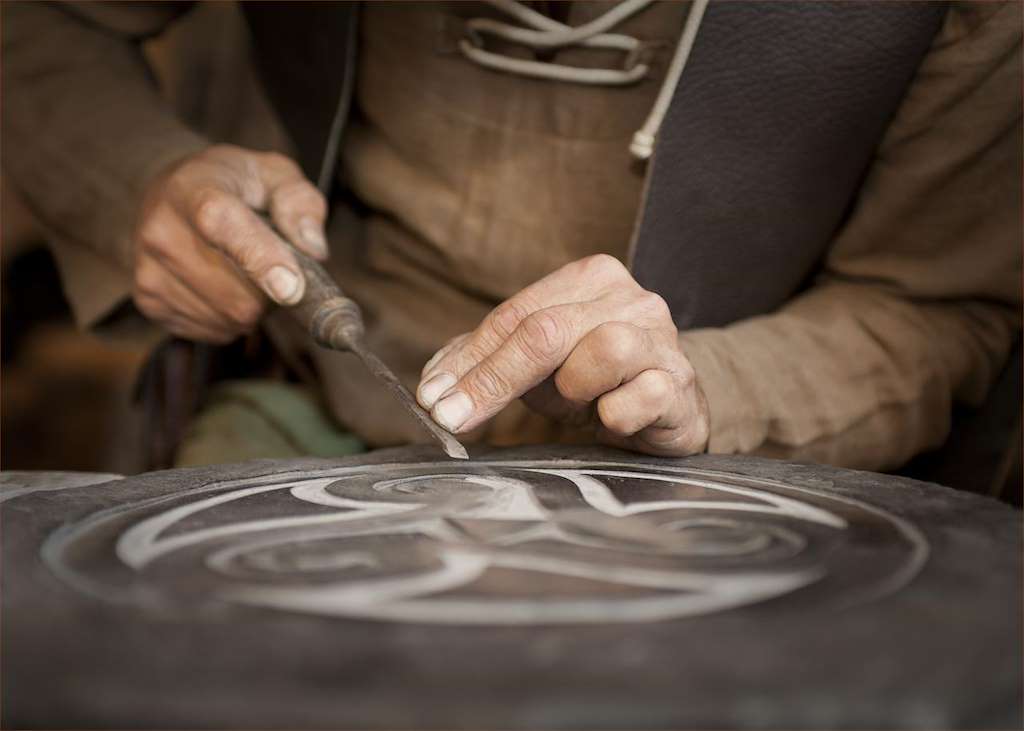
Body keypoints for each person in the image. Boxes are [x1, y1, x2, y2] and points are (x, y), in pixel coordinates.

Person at [3, 1, 1020, 471]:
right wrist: (135, 173)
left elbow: (938, 306)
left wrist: (717, 384)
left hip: (718, 474)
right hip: (326, 414)